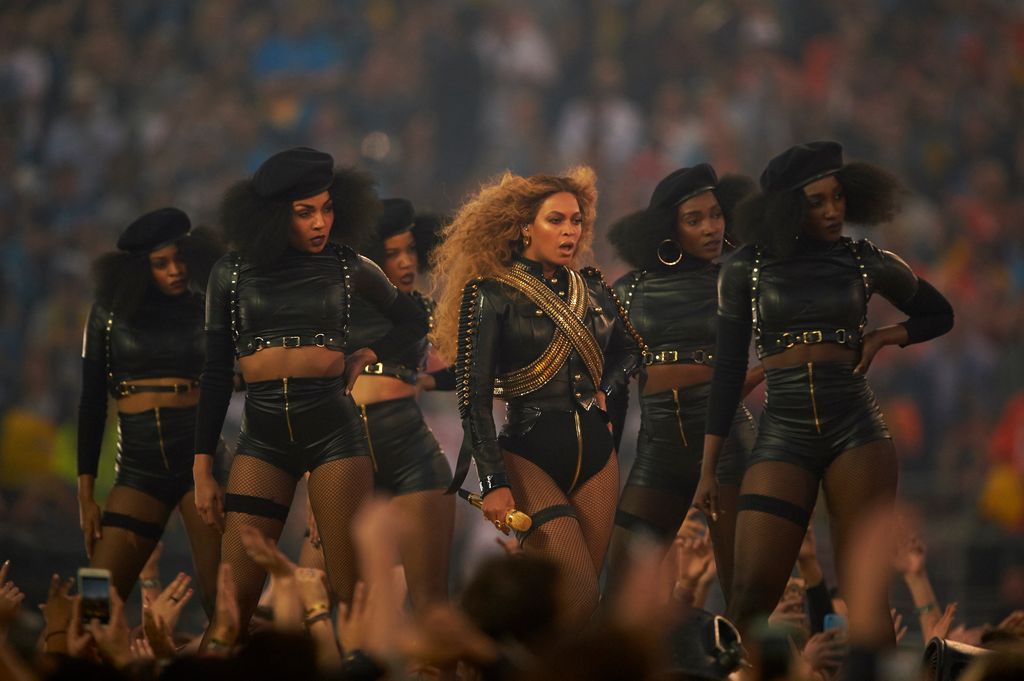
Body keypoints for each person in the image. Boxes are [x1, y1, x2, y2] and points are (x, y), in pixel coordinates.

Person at [694, 141, 954, 636]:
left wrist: (883, 337)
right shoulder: (744, 268)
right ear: (788, 207)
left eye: (838, 197)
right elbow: (728, 369)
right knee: (749, 595)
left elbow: (940, 313)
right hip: (783, 432)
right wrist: (708, 467)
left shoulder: (864, 260)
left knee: (864, 597)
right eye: (817, 202)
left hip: (856, 429)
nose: (834, 211)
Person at [193, 147, 428, 631]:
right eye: (305, 212)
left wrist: (368, 353)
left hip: (334, 433)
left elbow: (412, 319)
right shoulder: (230, 272)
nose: (321, 223)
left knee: (349, 596)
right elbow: (215, 372)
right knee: (231, 608)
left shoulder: (348, 265)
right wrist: (202, 468)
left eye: (327, 208)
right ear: (274, 215)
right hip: (261, 440)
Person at [431, 165, 642, 626]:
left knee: (579, 605)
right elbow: (473, 399)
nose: (570, 231)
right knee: (577, 594)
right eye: (556, 220)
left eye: (577, 221)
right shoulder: (491, 295)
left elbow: (632, 352)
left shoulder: (593, 288)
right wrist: (493, 482)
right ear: (525, 227)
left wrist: (605, 389)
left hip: (598, 457)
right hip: (529, 454)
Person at [605, 164, 760, 600]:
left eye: (716, 214)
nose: (711, 227)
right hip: (659, 448)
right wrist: (605, 458)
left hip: (727, 443)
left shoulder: (734, 280)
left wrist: (753, 377)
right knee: (621, 585)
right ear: (668, 229)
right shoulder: (629, 290)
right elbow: (612, 381)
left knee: (742, 588)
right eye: (695, 219)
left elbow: (788, 337)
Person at [300, 198, 454, 610]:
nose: (406, 262)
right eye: (392, 254)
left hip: (412, 452)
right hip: (342, 450)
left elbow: (472, 367)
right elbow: (309, 390)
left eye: (410, 250)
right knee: (314, 595)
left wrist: (425, 379)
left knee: (429, 603)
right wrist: (316, 475)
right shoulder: (337, 306)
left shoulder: (422, 309)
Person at [77, 207, 225, 612]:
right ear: (140, 268)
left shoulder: (206, 304)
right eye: (161, 263)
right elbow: (92, 402)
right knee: (93, 602)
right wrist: (85, 496)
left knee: (224, 601)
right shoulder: (108, 313)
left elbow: (231, 376)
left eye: (180, 259)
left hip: (201, 460)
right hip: (138, 467)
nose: (175, 270)